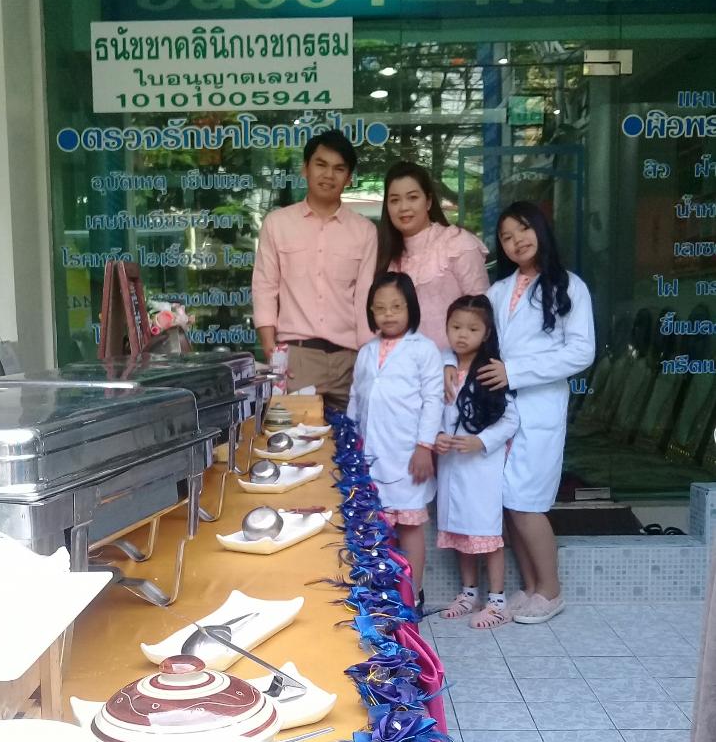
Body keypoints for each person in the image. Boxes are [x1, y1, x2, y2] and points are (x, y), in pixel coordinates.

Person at [473, 201, 595, 625]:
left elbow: (581, 352)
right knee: (508, 502)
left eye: (523, 230)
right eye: (506, 237)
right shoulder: (499, 291)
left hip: (540, 406)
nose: (516, 241)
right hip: (502, 409)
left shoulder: (569, 286)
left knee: (527, 503)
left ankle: (551, 591)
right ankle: (529, 587)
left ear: (541, 230)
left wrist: (516, 372)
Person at [252, 130, 377, 411]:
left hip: (349, 359)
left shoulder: (365, 231)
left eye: (339, 168)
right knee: (296, 437)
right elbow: (265, 288)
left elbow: (365, 297)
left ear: (349, 178)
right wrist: (273, 353)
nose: (329, 175)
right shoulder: (278, 224)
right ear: (305, 168)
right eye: (321, 165)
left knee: (353, 437)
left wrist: (366, 358)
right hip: (297, 358)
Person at [347, 272, 444, 609]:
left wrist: (424, 447)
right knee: (375, 526)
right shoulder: (366, 352)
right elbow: (355, 399)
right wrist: (350, 443)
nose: (388, 314)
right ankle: (380, 596)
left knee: (410, 527)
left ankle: (412, 595)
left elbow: (434, 400)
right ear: (371, 312)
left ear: (411, 308)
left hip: (408, 457)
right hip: (370, 456)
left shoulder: (424, 349)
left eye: (396, 306)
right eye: (380, 308)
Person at [435, 295, 520, 630]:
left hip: (481, 468)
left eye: (472, 329)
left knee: (486, 534)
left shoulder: (490, 372)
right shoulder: (444, 370)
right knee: (461, 534)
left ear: (486, 334)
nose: (462, 334)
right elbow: (434, 412)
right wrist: (438, 436)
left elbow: (511, 419)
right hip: (451, 465)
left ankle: (497, 602)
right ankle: (469, 594)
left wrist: (481, 441)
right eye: (456, 327)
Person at [377, 162, 489, 351]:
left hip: (453, 363)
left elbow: (482, 311)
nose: (403, 207)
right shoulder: (385, 256)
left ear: (428, 201)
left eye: (412, 197)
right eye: (394, 200)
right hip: (403, 363)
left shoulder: (457, 243)